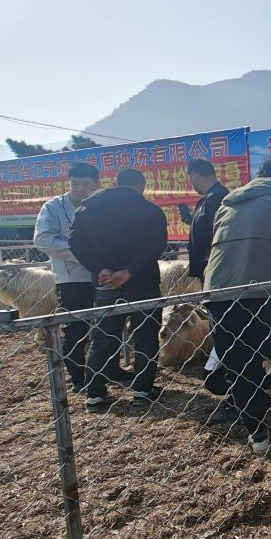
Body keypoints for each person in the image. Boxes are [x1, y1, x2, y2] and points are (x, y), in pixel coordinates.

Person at [204, 155, 271, 452]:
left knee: (241, 371)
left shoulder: (228, 204)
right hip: (270, 296)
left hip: (221, 299)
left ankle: (258, 438)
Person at [69, 168, 169, 410]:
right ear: (141, 186)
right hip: (143, 283)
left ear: (115, 183)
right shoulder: (150, 211)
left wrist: (99, 269)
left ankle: (94, 393)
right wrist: (129, 271)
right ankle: (142, 390)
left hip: (106, 284)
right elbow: (156, 246)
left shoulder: (87, 208)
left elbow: (75, 242)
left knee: (103, 338)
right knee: (145, 337)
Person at [33, 163, 127, 393]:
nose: (79, 189)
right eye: (75, 184)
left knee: (110, 324)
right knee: (76, 328)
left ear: (97, 184)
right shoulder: (53, 207)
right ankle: (79, 377)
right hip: (72, 277)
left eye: (85, 185)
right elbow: (43, 239)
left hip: (106, 275)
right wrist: (83, 255)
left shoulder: (105, 205)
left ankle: (111, 368)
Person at [183, 159, 229, 282]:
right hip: (209, 267)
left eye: (190, 179)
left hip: (215, 268)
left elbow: (219, 232)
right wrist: (192, 220)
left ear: (194, 175)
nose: (192, 185)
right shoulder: (210, 197)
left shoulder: (217, 197)